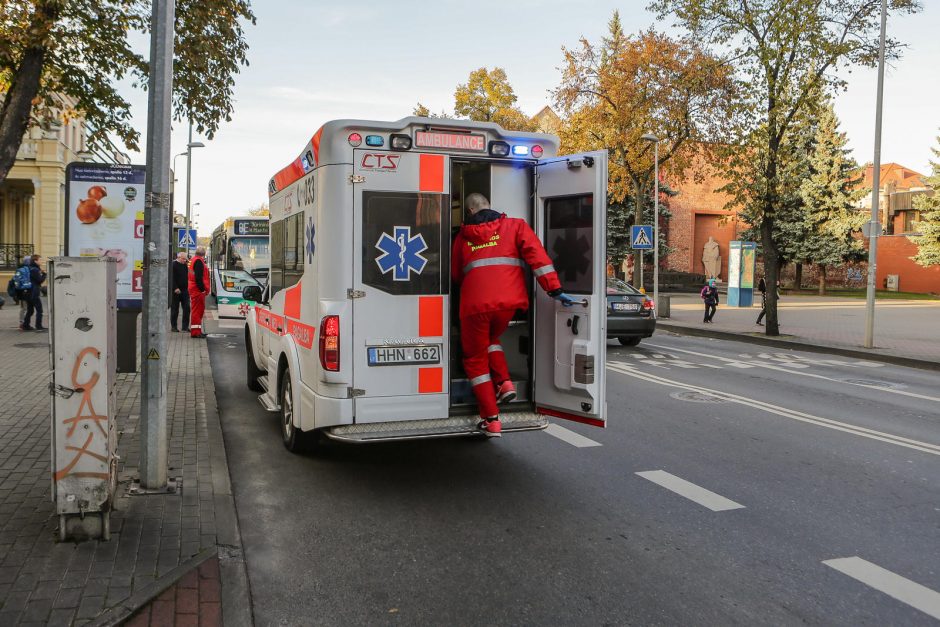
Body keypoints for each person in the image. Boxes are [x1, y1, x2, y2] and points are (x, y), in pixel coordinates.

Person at [451, 193, 575, 438]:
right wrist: (555, 289)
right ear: (490, 205)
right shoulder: (516, 226)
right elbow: (537, 257)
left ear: (469, 212)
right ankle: (504, 383)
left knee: (474, 360)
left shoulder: (463, 237)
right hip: (508, 303)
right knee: (491, 340)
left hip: (475, 305)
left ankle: (491, 419)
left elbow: (455, 274)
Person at [188, 246, 210, 339]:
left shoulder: (192, 260)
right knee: (197, 311)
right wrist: (203, 290)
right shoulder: (199, 262)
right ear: (204, 254)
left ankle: (197, 331)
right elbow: (199, 278)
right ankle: (196, 332)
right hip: (197, 290)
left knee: (196, 311)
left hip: (193, 288)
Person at [24, 254, 47, 331]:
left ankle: (26, 325)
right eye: (40, 260)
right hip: (34, 292)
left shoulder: (30, 268)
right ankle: (38, 326)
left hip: (28, 292)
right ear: (35, 261)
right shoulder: (35, 269)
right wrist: (44, 274)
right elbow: (39, 280)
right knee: (39, 310)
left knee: (30, 310)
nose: (41, 261)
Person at [170, 251, 191, 332]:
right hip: (176, 291)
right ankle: (174, 327)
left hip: (185, 290)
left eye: (186, 259)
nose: (185, 260)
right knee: (175, 309)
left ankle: (185, 327)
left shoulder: (185, 265)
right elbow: (172, 277)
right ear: (178, 258)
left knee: (187, 308)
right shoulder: (173, 265)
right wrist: (175, 288)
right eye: (183, 259)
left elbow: (187, 275)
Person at [13, 255, 32, 330]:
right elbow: (18, 281)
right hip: (24, 291)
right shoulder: (24, 270)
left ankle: (23, 323)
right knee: (25, 308)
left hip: (23, 291)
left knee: (25, 308)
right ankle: (22, 323)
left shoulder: (23, 269)